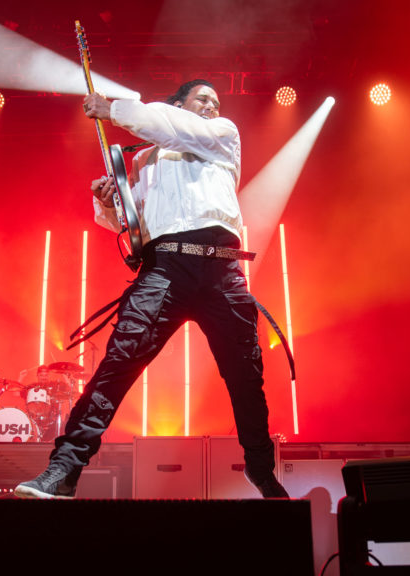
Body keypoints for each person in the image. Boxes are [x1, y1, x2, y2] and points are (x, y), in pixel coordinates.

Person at [15, 79, 288, 499]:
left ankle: (261, 470)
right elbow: (130, 227)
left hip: (221, 269)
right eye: (203, 99)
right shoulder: (142, 160)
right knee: (117, 365)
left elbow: (171, 126)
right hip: (165, 267)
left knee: (246, 376)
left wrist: (114, 109)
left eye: (216, 101)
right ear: (178, 103)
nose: (212, 106)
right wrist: (108, 202)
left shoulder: (221, 135)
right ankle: (64, 470)